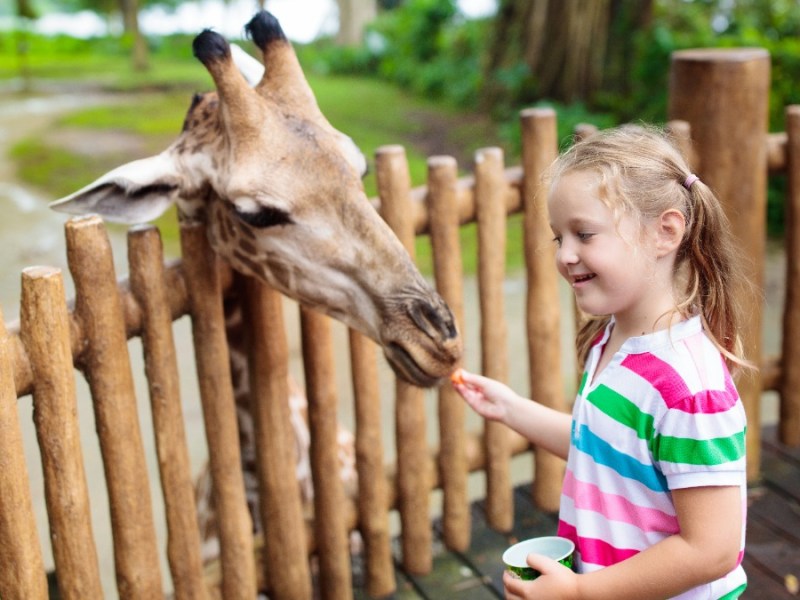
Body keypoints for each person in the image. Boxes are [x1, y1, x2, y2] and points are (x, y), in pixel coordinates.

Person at [452, 125, 751, 599]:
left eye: (584, 234)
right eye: (558, 238)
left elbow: (712, 549)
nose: (566, 255)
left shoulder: (688, 389)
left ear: (665, 232)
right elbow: (603, 452)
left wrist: (579, 593)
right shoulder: (614, 341)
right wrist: (510, 409)